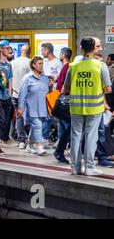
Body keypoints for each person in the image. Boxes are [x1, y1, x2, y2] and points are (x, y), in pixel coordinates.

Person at [62, 37, 112, 176]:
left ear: (81, 48)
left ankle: (75, 167)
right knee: (91, 136)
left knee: (76, 136)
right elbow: (108, 89)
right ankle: (89, 167)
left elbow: (65, 89)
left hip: (76, 107)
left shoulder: (73, 66)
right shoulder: (100, 66)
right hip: (94, 107)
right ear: (94, 48)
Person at [18, 56, 51, 156]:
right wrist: (20, 107)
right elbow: (22, 94)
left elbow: (47, 92)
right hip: (31, 107)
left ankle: (30, 145)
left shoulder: (45, 78)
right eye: (39, 64)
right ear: (33, 65)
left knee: (35, 127)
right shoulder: (27, 78)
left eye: (42, 64)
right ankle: (38, 145)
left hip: (43, 107)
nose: (41, 66)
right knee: (37, 126)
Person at [41, 42, 63, 146]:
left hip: (55, 93)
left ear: (47, 50)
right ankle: (45, 138)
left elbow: (61, 77)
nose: (42, 52)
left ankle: (60, 140)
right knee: (46, 116)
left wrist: (53, 79)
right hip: (45, 93)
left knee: (57, 117)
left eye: (42, 50)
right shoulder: (45, 63)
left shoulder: (58, 63)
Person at [53, 47, 73, 164]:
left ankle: (61, 147)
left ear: (63, 54)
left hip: (64, 99)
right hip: (66, 100)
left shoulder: (67, 67)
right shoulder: (68, 67)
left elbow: (63, 85)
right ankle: (62, 147)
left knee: (65, 125)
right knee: (66, 126)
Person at [10, 45, 31, 149]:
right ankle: (30, 139)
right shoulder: (31, 63)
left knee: (19, 117)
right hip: (27, 95)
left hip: (15, 93)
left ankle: (21, 140)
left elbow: (9, 79)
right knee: (30, 117)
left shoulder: (12, 63)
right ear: (29, 51)